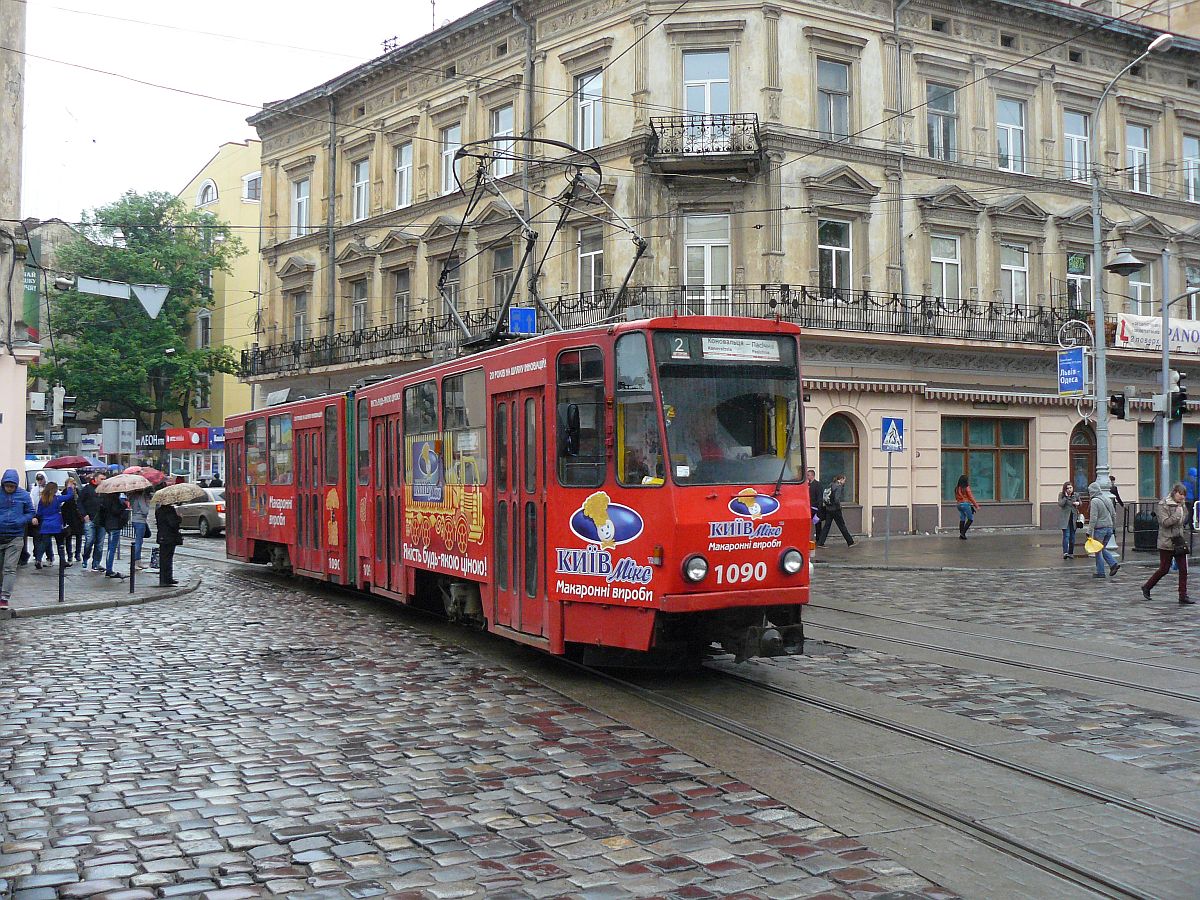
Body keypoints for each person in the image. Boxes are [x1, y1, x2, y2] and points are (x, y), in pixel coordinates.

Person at [1142, 483, 1194, 604]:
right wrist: (1177, 515)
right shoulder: (1163, 504)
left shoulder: (1181, 505)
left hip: (1179, 540)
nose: (1182, 497)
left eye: (1183, 495)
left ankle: (1183, 595)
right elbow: (1164, 523)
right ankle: (1147, 587)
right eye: (1180, 494)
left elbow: (1184, 519)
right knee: (1164, 569)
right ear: (1174, 492)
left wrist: (1182, 515)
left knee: (1183, 569)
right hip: (1166, 541)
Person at [0, 469, 35, 609]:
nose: (9, 488)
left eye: (12, 486)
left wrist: (20, 520)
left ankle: (4, 597)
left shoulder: (24, 495)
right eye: (7, 486)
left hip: (15, 537)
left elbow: (31, 512)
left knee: (9, 568)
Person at [33, 481, 74, 569]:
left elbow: (39, 513)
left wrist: (37, 518)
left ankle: (38, 560)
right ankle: (63, 561)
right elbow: (69, 496)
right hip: (56, 525)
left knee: (43, 544)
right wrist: (69, 488)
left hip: (45, 525)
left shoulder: (42, 500)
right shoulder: (57, 499)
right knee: (60, 544)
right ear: (55, 490)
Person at [1086, 482, 1120, 579]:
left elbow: (1093, 518)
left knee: (1098, 550)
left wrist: (1089, 531)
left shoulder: (1095, 501)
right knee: (1101, 548)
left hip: (1100, 529)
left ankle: (1101, 572)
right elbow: (1114, 514)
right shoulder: (1107, 499)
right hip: (1109, 528)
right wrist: (1113, 527)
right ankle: (1113, 564)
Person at [97, 488, 128, 579]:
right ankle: (109, 570)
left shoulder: (106, 498)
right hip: (113, 525)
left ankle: (109, 569)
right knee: (111, 548)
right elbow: (115, 511)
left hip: (110, 524)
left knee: (112, 548)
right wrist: (123, 506)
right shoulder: (113, 499)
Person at [817, 474, 854, 547]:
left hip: (828, 509)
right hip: (835, 510)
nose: (844, 482)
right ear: (841, 479)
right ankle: (850, 542)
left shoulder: (831, 484)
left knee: (826, 526)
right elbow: (837, 499)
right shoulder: (838, 486)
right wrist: (839, 507)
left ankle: (821, 542)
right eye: (844, 480)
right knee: (841, 525)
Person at [155, 499, 183, 586]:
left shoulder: (158, 510)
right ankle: (166, 579)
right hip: (169, 537)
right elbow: (173, 523)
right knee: (167, 558)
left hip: (162, 536)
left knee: (165, 558)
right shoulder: (169, 510)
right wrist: (179, 517)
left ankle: (166, 578)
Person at [80, 473, 105, 570]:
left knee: (100, 544)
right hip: (90, 519)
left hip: (102, 520)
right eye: (101, 478)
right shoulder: (87, 489)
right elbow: (80, 502)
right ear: (95, 479)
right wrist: (84, 514)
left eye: (104, 479)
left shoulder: (105, 490)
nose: (103, 481)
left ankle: (96, 563)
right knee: (89, 541)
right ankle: (85, 558)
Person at [61, 477, 83, 562]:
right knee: (68, 537)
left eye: (73, 483)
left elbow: (80, 503)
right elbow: (63, 506)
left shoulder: (78, 492)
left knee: (79, 536)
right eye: (70, 483)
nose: (72, 485)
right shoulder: (64, 493)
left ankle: (77, 554)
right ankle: (69, 554)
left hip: (77, 518)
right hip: (68, 517)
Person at [1058, 481, 1081, 559]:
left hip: (1073, 518)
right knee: (1066, 535)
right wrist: (1066, 497)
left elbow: (1080, 503)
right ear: (1065, 489)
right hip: (1065, 519)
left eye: (1070, 488)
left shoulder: (1076, 495)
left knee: (1072, 537)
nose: (1069, 490)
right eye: (1067, 488)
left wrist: (1078, 503)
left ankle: (1071, 552)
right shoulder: (1061, 495)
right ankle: (1065, 552)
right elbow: (1060, 504)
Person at [129, 488, 151, 569]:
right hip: (140, 520)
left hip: (135, 519)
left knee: (139, 541)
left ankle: (138, 561)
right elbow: (145, 511)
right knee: (139, 541)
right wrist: (148, 504)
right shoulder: (140, 497)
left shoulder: (133, 496)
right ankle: (136, 562)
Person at [955, 475, 978, 540]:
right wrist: (976, 506)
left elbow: (956, 497)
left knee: (962, 518)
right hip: (965, 504)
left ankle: (961, 535)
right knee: (970, 519)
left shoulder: (957, 488)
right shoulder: (966, 488)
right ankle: (963, 533)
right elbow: (971, 497)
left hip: (959, 505)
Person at [806, 469, 824, 536]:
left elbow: (819, 497)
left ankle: (818, 538)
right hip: (809, 507)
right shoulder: (808, 484)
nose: (807, 477)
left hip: (815, 507)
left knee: (817, 524)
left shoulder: (817, 484)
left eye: (808, 475)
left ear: (812, 475)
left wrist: (819, 509)